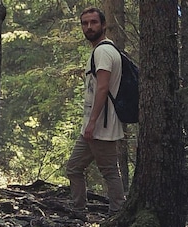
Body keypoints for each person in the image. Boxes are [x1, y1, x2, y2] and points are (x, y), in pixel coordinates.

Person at [64, 6, 125, 215]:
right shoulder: (104, 50)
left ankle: (117, 213)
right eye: (85, 23)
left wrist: (92, 122)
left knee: (109, 171)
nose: (89, 27)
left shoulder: (103, 52)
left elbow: (102, 87)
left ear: (104, 25)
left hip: (101, 126)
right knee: (74, 167)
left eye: (94, 22)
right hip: (95, 126)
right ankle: (78, 210)